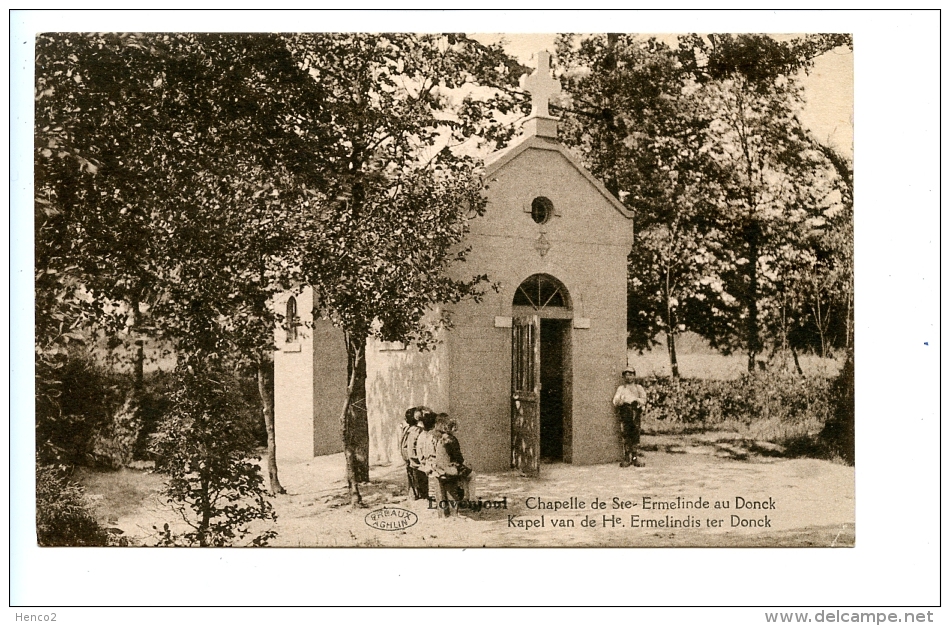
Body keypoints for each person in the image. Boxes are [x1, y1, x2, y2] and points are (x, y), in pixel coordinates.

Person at [431, 413, 473, 518]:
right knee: (470, 475)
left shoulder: (436, 437)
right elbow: (458, 458)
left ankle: (443, 514)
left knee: (443, 486)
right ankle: (468, 501)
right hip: (449, 469)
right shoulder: (451, 439)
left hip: (437, 468)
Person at [612, 367, 647, 467]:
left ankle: (635, 457)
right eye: (626, 374)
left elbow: (644, 399)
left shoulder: (638, 388)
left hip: (635, 413)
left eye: (631, 374)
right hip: (625, 413)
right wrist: (621, 401)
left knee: (635, 434)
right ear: (623, 376)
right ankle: (627, 457)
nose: (629, 377)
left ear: (634, 376)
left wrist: (636, 400)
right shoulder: (621, 389)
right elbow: (615, 401)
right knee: (626, 434)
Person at [411, 409, 438, 502]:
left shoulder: (421, 435)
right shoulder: (432, 437)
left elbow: (419, 453)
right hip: (431, 465)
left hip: (424, 463)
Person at [398, 407, 424, 499]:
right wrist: (415, 460)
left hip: (409, 459)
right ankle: (419, 495)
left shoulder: (407, 429)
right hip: (414, 460)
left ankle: (414, 494)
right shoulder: (416, 430)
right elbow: (411, 447)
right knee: (418, 479)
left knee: (412, 478)